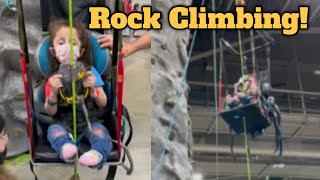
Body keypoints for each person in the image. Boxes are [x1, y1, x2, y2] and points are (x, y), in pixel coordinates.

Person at [44, 19, 112, 169]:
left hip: (90, 122)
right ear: (53, 51)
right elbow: (50, 111)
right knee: (53, 131)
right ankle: (66, 148)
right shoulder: (53, 79)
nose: (67, 47)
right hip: (63, 123)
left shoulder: (91, 73)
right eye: (61, 43)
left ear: (81, 51)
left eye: (73, 43)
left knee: (101, 133)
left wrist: (94, 90)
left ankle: (96, 154)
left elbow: (104, 103)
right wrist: (54, 93)